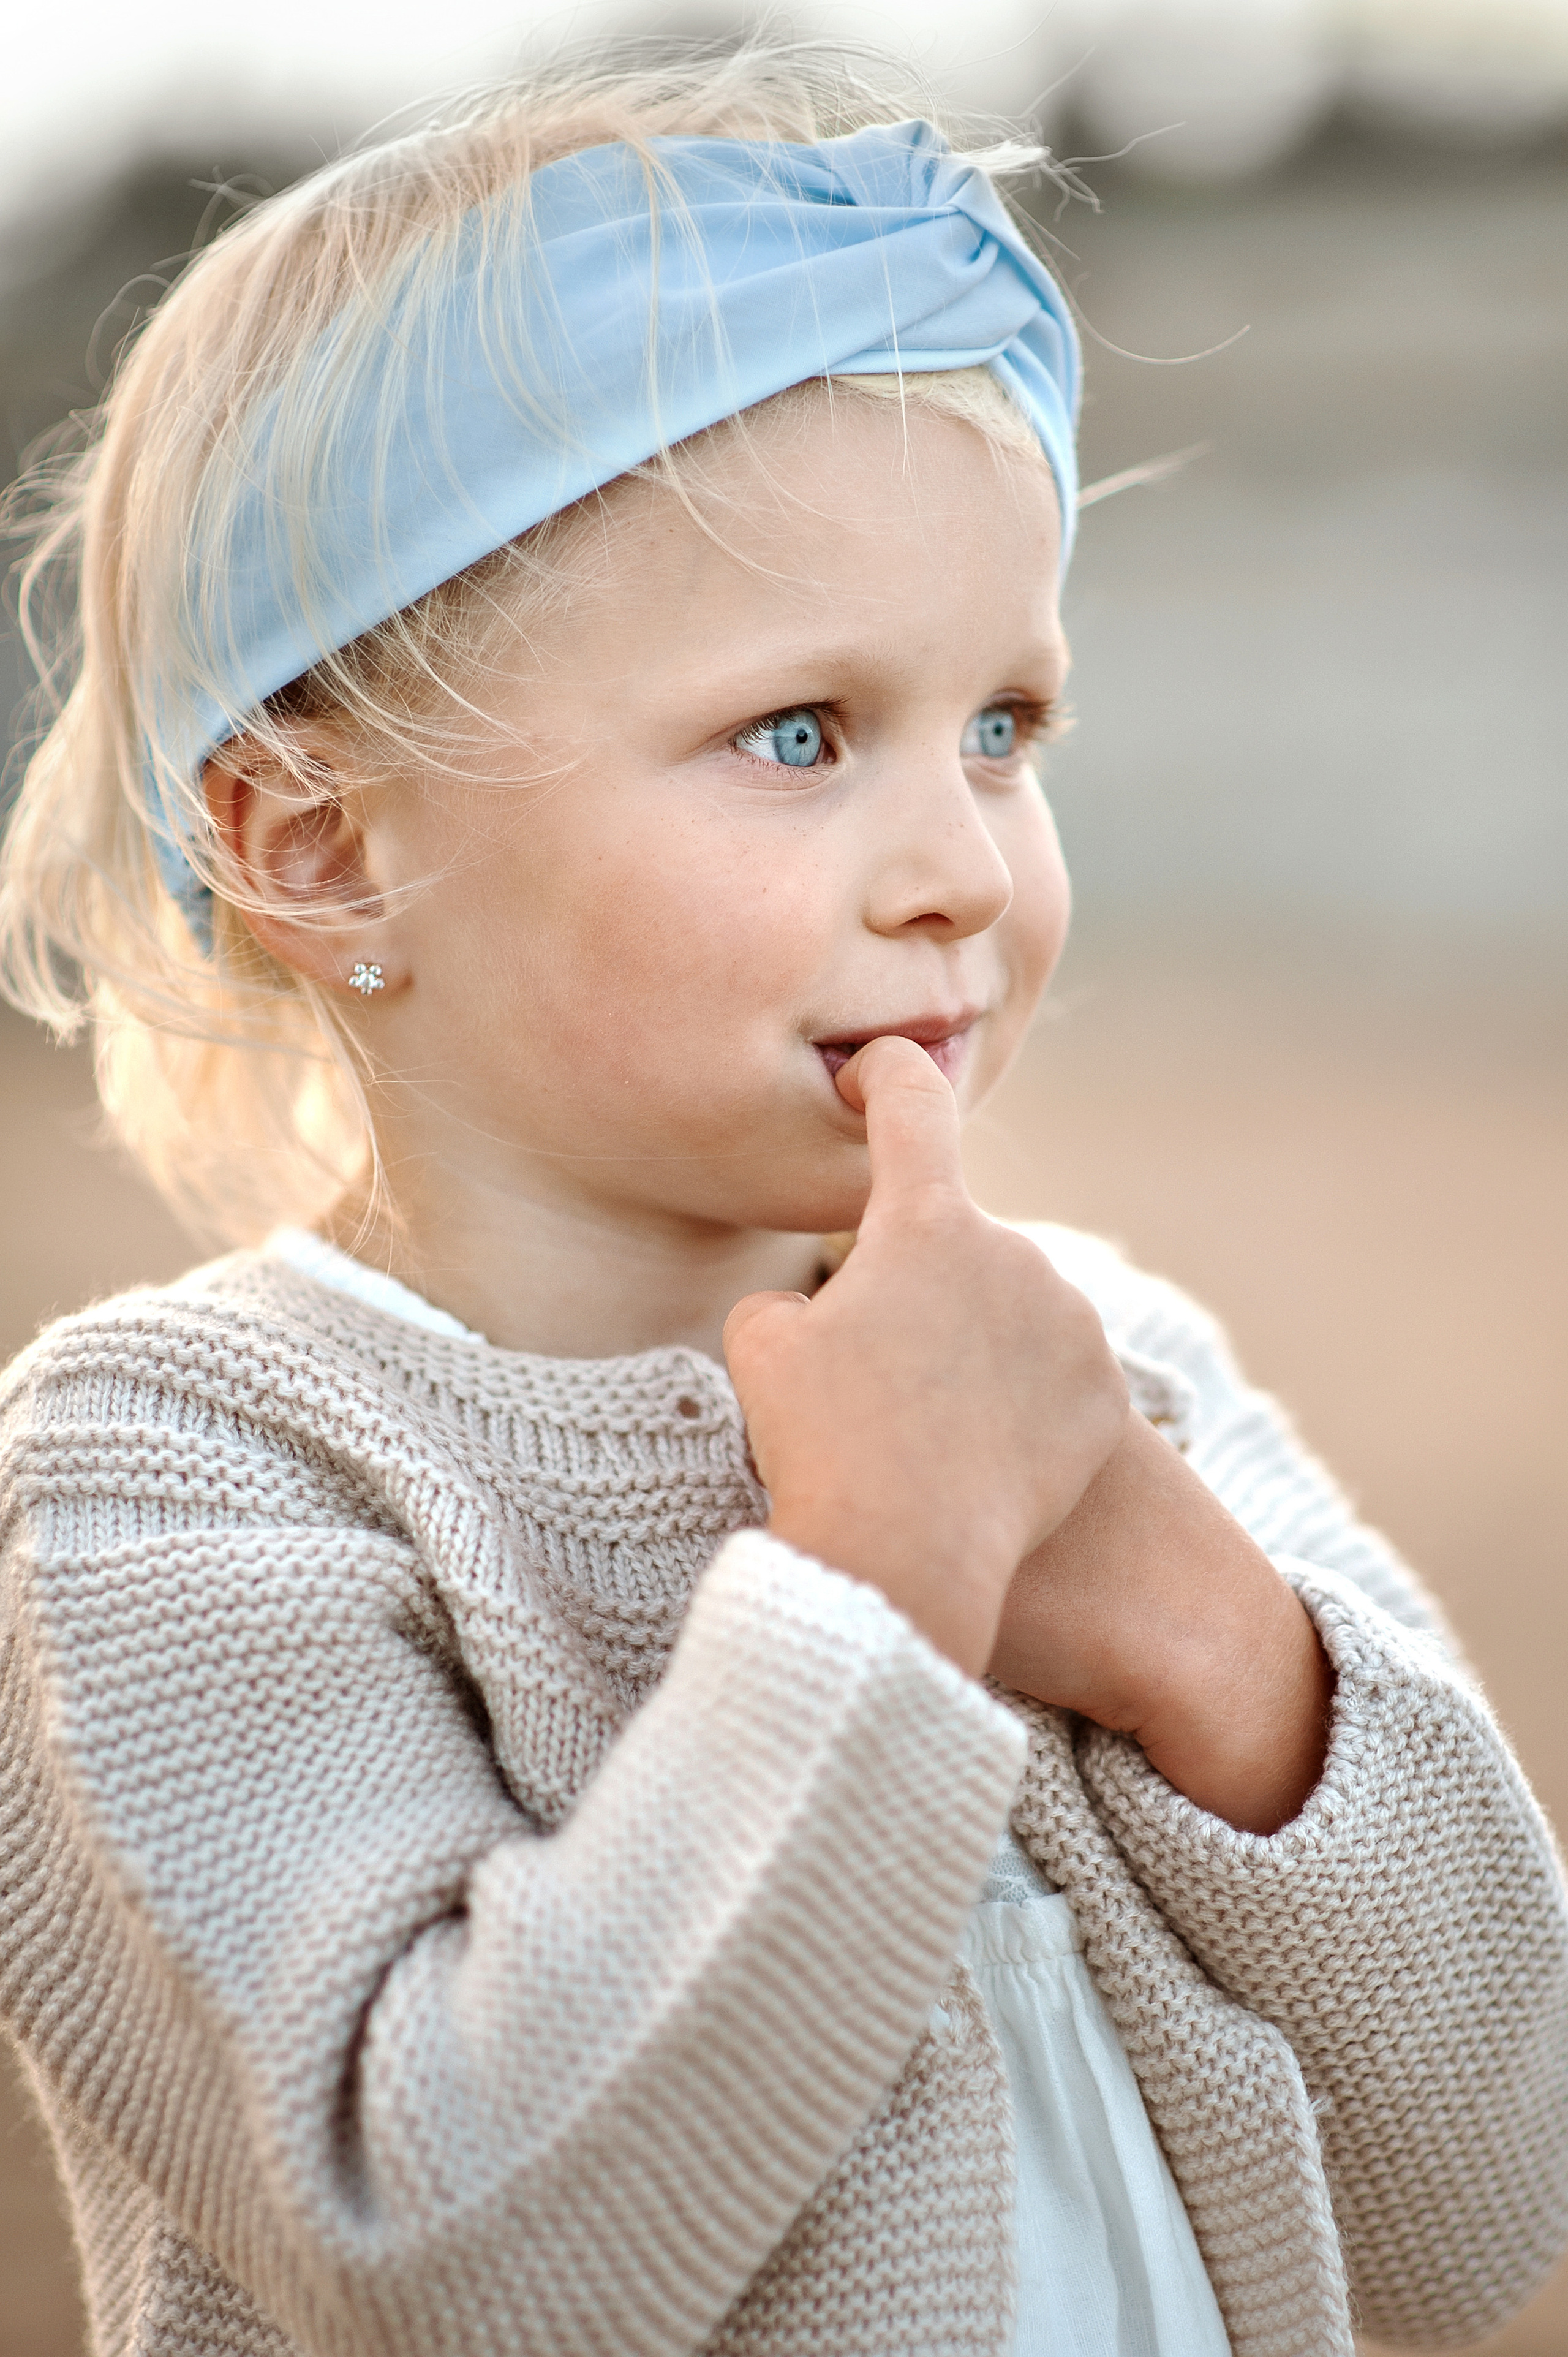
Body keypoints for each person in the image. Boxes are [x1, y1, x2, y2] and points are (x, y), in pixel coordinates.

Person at [1, 42, 1564, 2357]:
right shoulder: (175, 1487)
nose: (962, 870)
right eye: (804, 736)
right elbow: (460, 2253)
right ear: (319, 847)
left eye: (1007, 728)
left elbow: (1486, 2190)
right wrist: (893, 1577)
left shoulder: (1101, 1370)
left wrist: (1214, 1648)